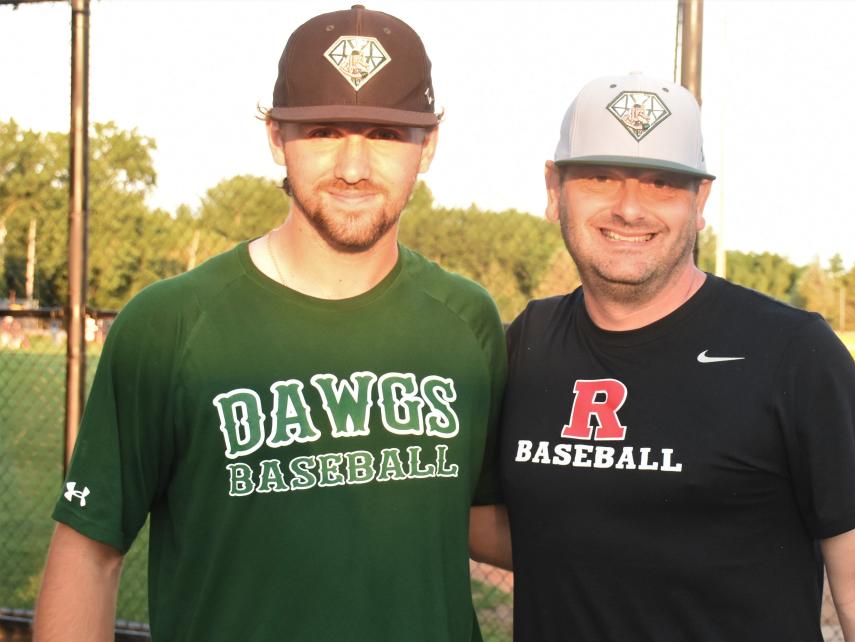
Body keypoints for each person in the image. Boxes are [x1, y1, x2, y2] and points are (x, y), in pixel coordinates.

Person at [34, 6, 506, 641]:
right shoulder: (170, 324)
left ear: (430, 146)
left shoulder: (468, 320)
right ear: (275, 137)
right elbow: (90, 553)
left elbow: (487, 520)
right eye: (323, 130)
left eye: (387, 134)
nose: (354, 166)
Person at [472, 72, 855, 641]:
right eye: (601, 176)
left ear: (700, 200)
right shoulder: (528, 341)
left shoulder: (793, 353)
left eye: (662, 183)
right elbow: (527, 530)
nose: (629, 208)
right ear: (554, 189)